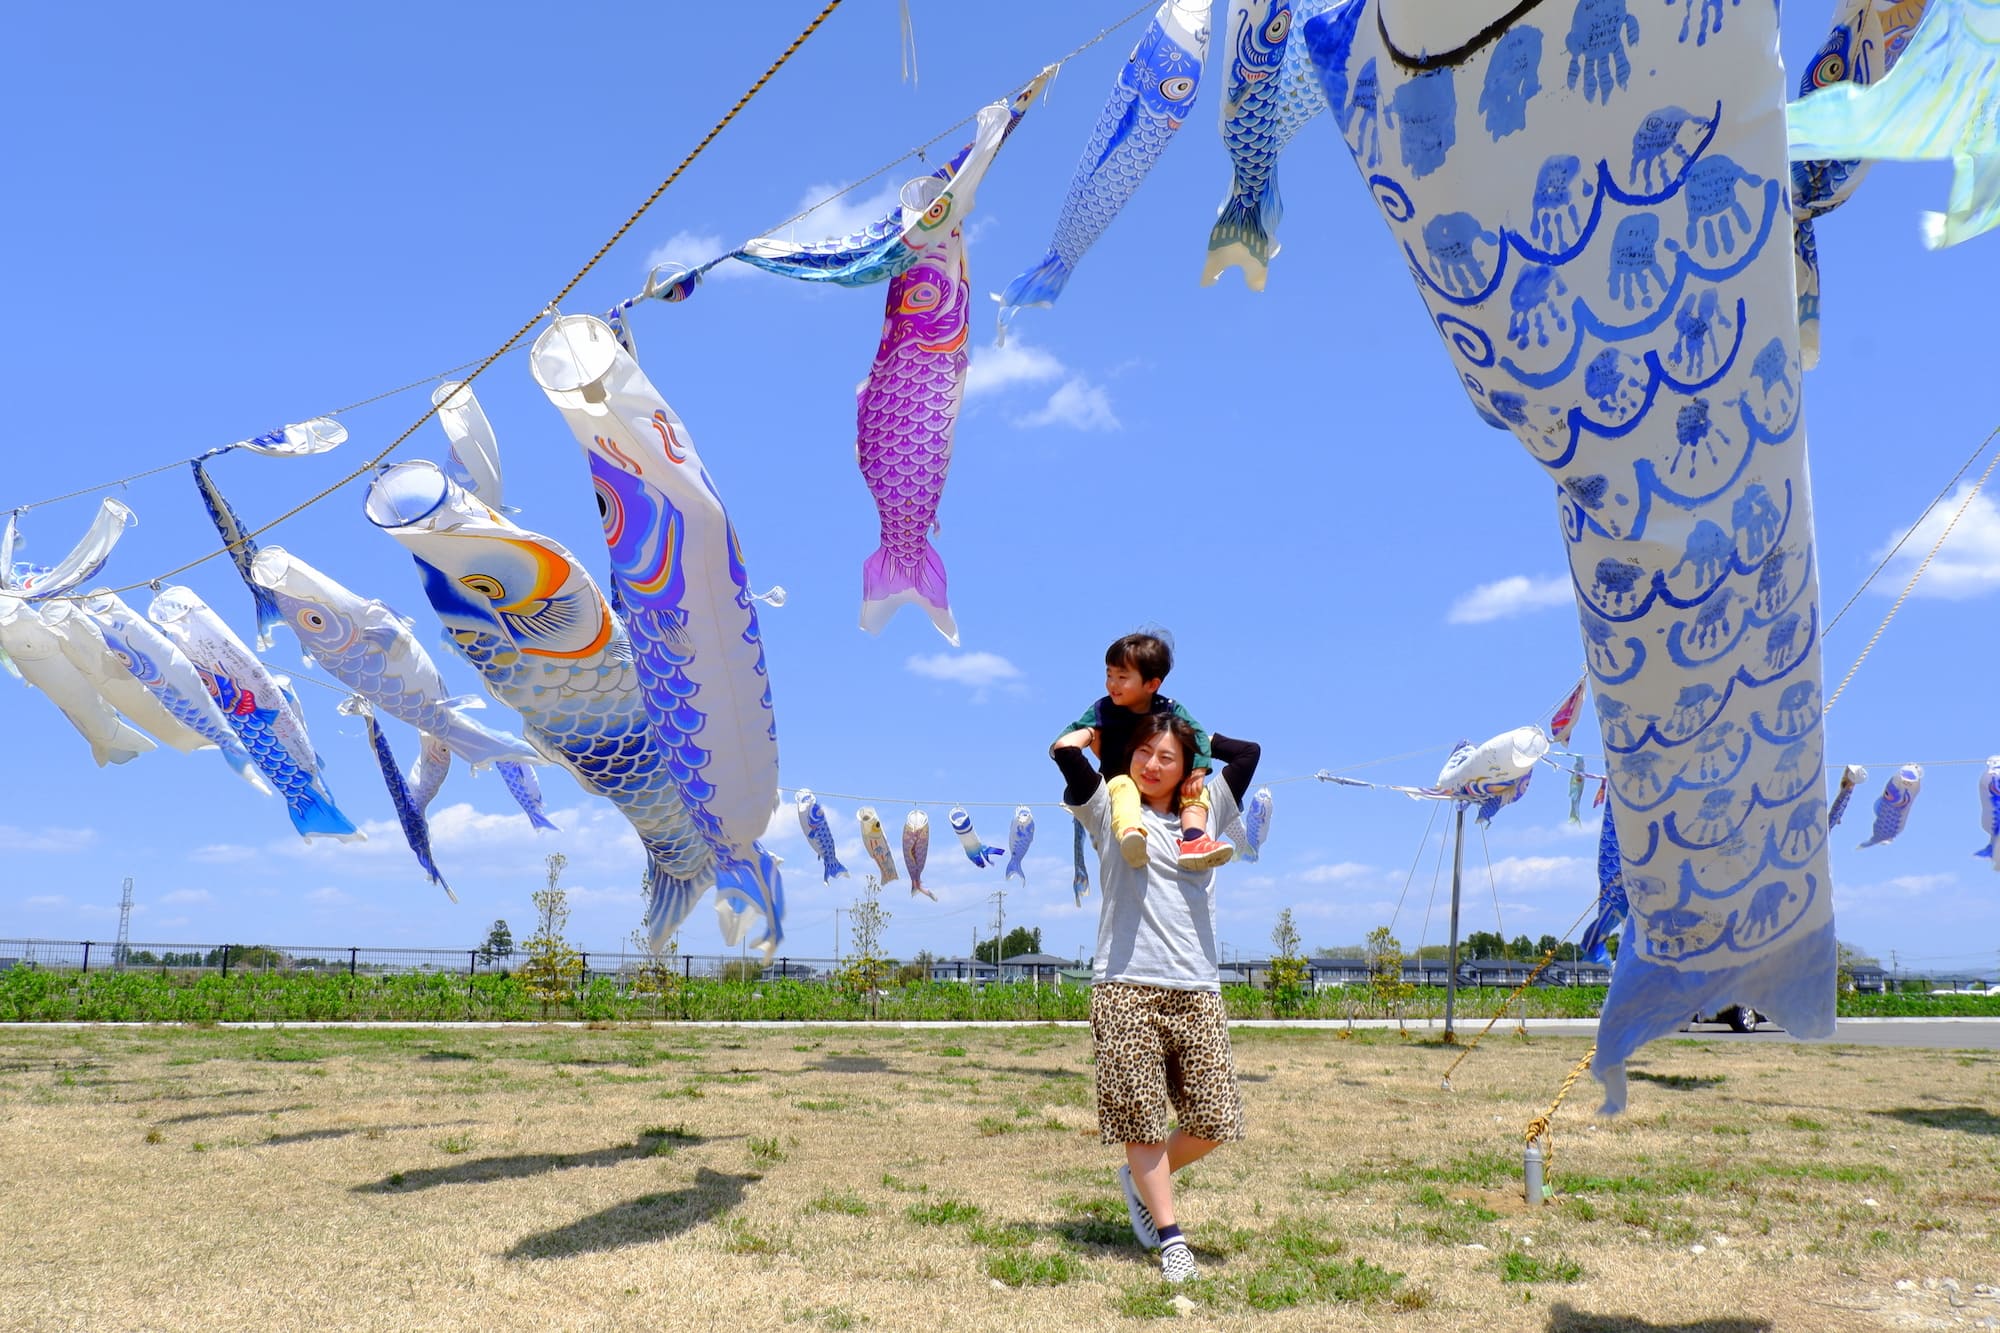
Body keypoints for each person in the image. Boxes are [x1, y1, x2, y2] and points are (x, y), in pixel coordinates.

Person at [1052, 711, 1261, 1284]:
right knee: (1141, 1121)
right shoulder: (1110, 809)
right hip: (1123, 985)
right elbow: (1066, 755)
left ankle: (1144, 1178)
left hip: (1196, 985)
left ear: (1184, 764)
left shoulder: (1208, 810)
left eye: (1166, 756)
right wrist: (1102, 730)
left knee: (1214, 1118)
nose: (1151, 764)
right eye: (1144, 751)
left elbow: (1247, 754)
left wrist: (1195, 733)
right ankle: (1173, 1239)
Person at [1057, 631, 1233, 872]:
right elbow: (1068, 736)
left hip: (1162, 787)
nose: (1112, 684)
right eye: (1109, 675)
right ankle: (1131, 834)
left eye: (1122, 677)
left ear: (1152, 684)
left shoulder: (1168, 709)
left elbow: (1199, 735)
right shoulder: (1103, 709)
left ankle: (1195, 838)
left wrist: (1199, 770)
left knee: (1196, 791)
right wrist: (1090, 735)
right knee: (1124, 786)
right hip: (1120, 782)